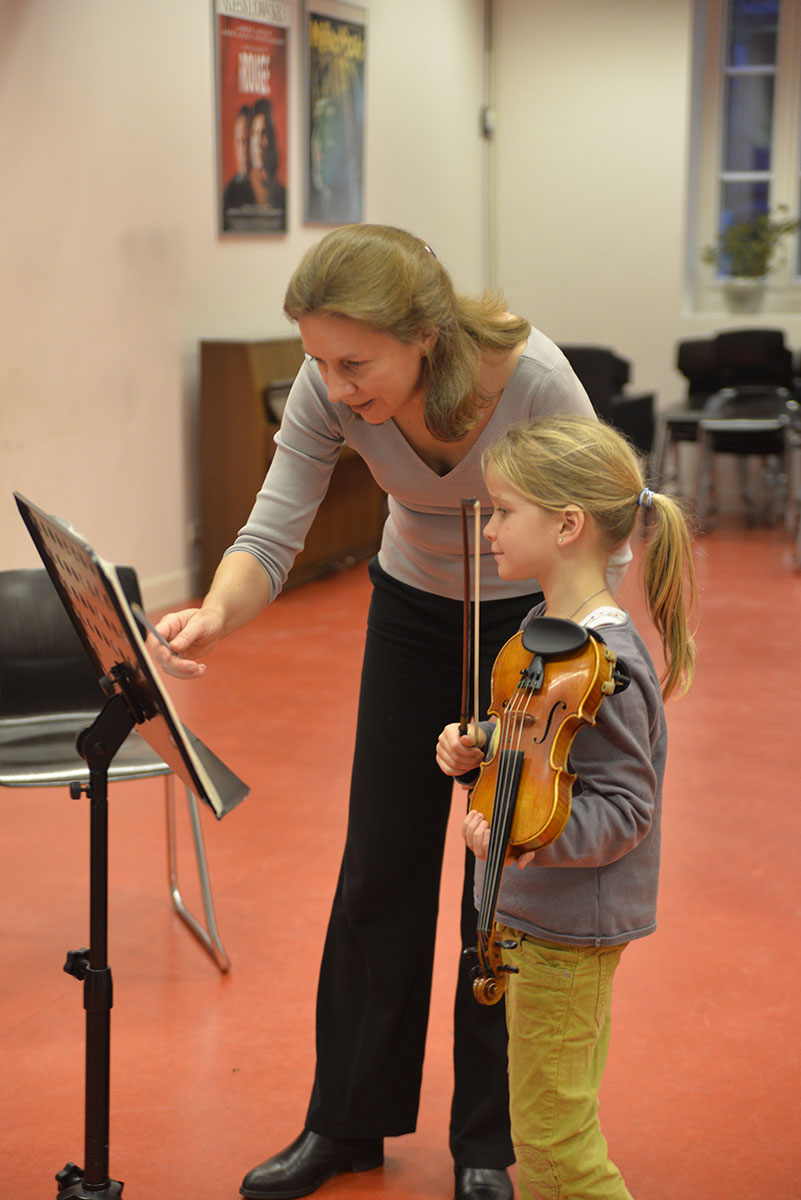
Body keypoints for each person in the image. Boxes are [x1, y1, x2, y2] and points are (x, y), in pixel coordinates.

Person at [150, 224, 619, 1200]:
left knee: (501, 883)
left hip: (533, 622)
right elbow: (273, 528)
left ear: (428, 337)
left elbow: (602, 530)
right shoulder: (331, 389)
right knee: (379, 869)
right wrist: (214, 617)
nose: (333, 383)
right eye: (317, 359)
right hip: (412, 611)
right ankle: (345, 1122)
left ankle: (486, 1146)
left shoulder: (531, 379)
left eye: (353, 361)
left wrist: (595, 659)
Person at [436, 417, 697, 1200]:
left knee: (554, 1150)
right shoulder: (545, 633)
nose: (488, 528)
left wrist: (520, 843)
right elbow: (540, 741)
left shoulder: (608, 663)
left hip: (563, 931)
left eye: (501, 511)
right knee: (545, 1126)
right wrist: (477, 741)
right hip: (529, 920)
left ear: (566, 525)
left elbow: (623, 809)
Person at [222, 105, 257, 228]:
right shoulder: (229, 194)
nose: (244, 150)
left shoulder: (273, 192)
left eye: (248, 141)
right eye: (240, 142)